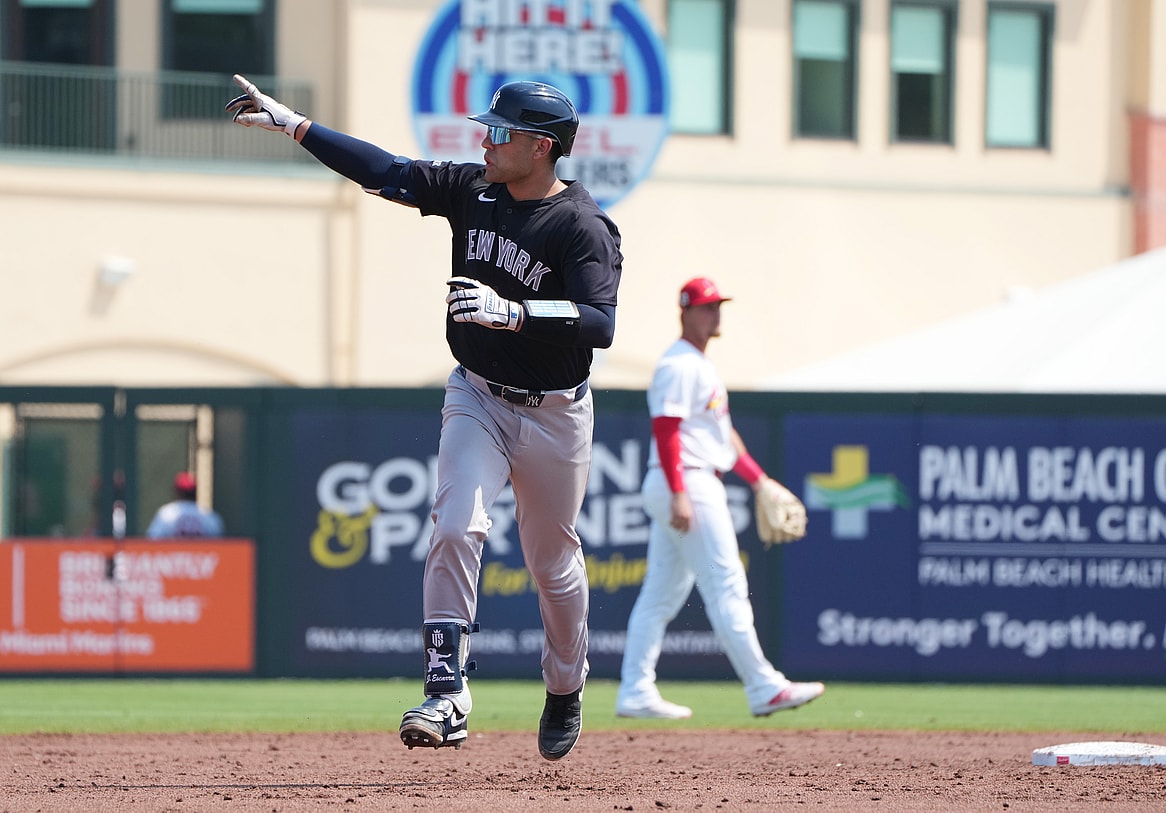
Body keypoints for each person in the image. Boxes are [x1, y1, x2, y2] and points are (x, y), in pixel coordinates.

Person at [226, 75, 622, 761]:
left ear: (541, 146)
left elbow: (599, 323)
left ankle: (565, 685)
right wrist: (296, 125)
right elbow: (388, 173)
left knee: (553, 564)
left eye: (499, 131)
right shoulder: (474, 191)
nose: (485, 139)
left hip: (557, 416)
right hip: (477, 395)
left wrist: (514, 313)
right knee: (454, 522)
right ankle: (446, 691)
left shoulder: (580, 225)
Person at [616, 277, 825, 719]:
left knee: (660, 595)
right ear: (686, 312)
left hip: (688, 479)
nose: (715, 314)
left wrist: (759, 480)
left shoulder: (698, 364)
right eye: (707, 307)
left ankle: (635, 691)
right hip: (686, 481)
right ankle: (764, 686)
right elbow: (666, 430)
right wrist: (678, 493)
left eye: (718, 306)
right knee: (725, 583)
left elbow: (722, 437)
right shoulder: (679, 365)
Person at [145, 472, 225, 539]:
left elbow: (153, 540)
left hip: (174, 556)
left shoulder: (166, 514)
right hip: (201, 557)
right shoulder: (208, 516)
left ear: (177, 492)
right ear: (195, 493)